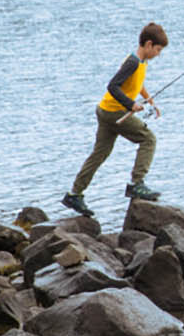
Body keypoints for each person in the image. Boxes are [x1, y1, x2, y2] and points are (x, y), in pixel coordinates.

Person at [63, 23, 167, 217]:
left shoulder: (140, 62)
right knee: (148, 139)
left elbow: (136, 82)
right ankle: (136, 184)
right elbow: (113, 86)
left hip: (105, 110)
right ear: (149, 44)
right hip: (115, 113)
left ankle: (74, 194)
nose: (158, 54)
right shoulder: (133, 62)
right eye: (158, 50)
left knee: (99, 154)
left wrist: (148, 98)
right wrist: (131, 104)